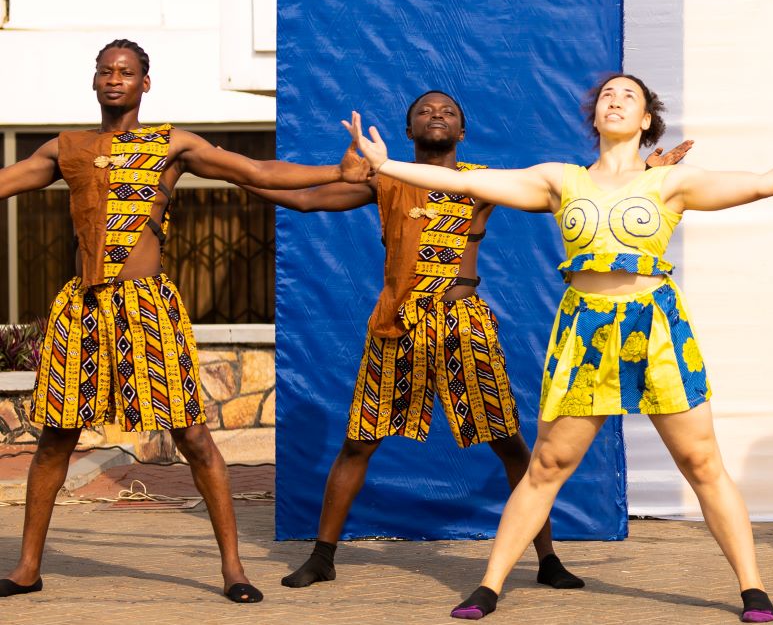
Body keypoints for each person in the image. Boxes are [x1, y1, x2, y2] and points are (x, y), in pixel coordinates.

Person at [345, 76, 773, 623]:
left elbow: (763, 184)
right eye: (607, 95)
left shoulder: (672, 183)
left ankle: (753, 588)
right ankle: (488, 586)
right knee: (548, 464)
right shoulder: (561, 180)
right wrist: (387, 166)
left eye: (628, 96)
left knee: (701, 462)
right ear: (595, 115)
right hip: (586, 332)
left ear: (647, 119)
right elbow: (471, 186)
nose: (615, 100)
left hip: (654, 328)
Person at [251, 90, 685, 590]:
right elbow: (304, 199)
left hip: (463, 323)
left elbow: (576, 192)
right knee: (358, 442)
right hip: (397, 325)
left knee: (510, 444)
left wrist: (643, 172)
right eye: (424, 112)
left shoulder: (481, 182)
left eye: (448, 112)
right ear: (409, 131)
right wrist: (237, 179)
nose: (436, 115)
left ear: (462, 133)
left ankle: (546, 559)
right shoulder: (388, 178)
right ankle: (322, 556)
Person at [0, 40, 371, 603]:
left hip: (148, 309)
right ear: (93, 81)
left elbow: (256, 169)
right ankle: (28, 569)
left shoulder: (173, 144)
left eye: (127, 72)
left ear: (145, 83)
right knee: (56, 438)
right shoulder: (66, 148)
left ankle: (233, 570)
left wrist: (334, 169)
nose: (115, 79)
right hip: (82, 310)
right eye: (106, 71)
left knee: (194, 436)